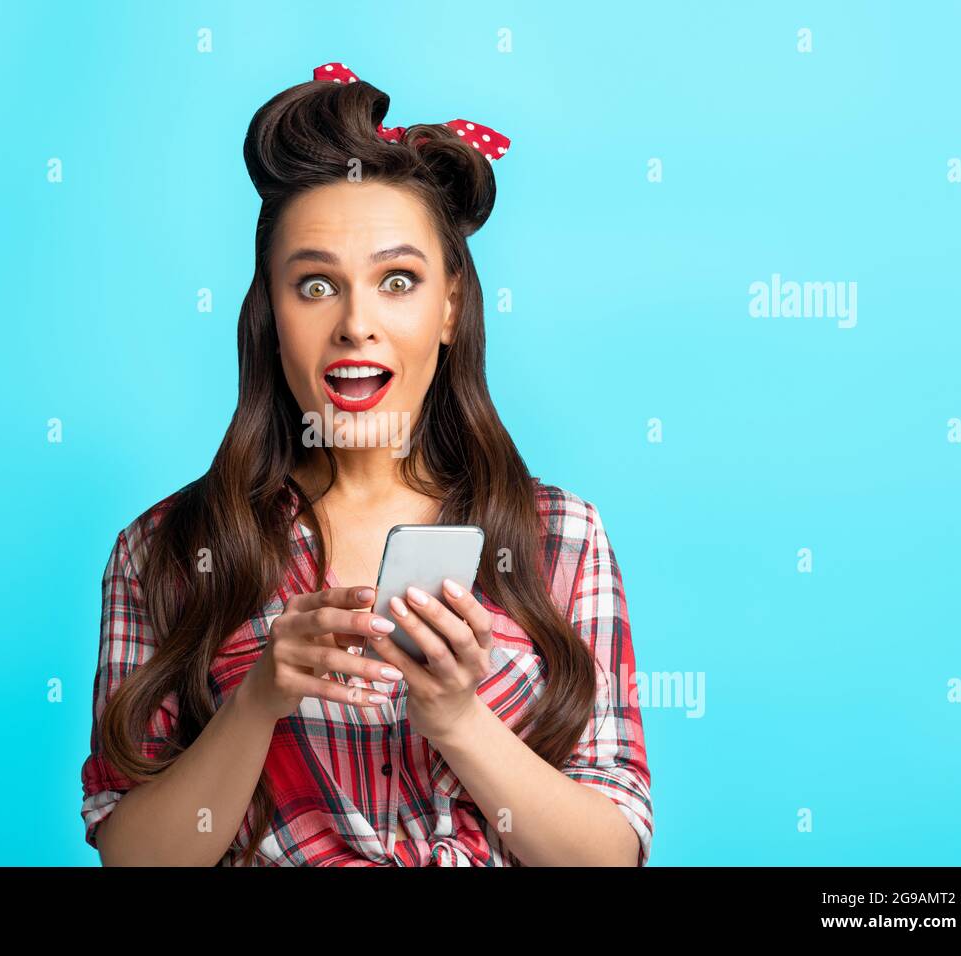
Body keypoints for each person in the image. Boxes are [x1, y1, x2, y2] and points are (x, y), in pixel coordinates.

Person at [80, 62, 652, 866]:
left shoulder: (562, 537)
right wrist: (257, 701)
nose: (356, 323)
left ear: (450, 307)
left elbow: (610, 856)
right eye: (315, 284)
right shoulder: (166, 548)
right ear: (269, 314)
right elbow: (133, 856)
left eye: (397, 281)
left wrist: (458, 717)